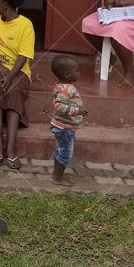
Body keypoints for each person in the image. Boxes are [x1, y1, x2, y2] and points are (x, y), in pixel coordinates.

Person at [0, 0, 35, 170]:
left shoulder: (26, 25)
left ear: (5, 5)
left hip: (19, 70)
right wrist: (1, 69)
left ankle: (11, 147)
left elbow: (24, 54)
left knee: (14, 89)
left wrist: (12, 74)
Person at [47, 55, 87, 187]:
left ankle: (56, 174)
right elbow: (58, 106)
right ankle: (58, 178)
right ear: (67, 74)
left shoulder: (63, 86)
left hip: (63, 126)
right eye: (77, 70)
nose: (79, 73)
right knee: (65, 152)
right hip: (65, 128)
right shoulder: (66, 89)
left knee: (60, 149)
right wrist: (77, 111)